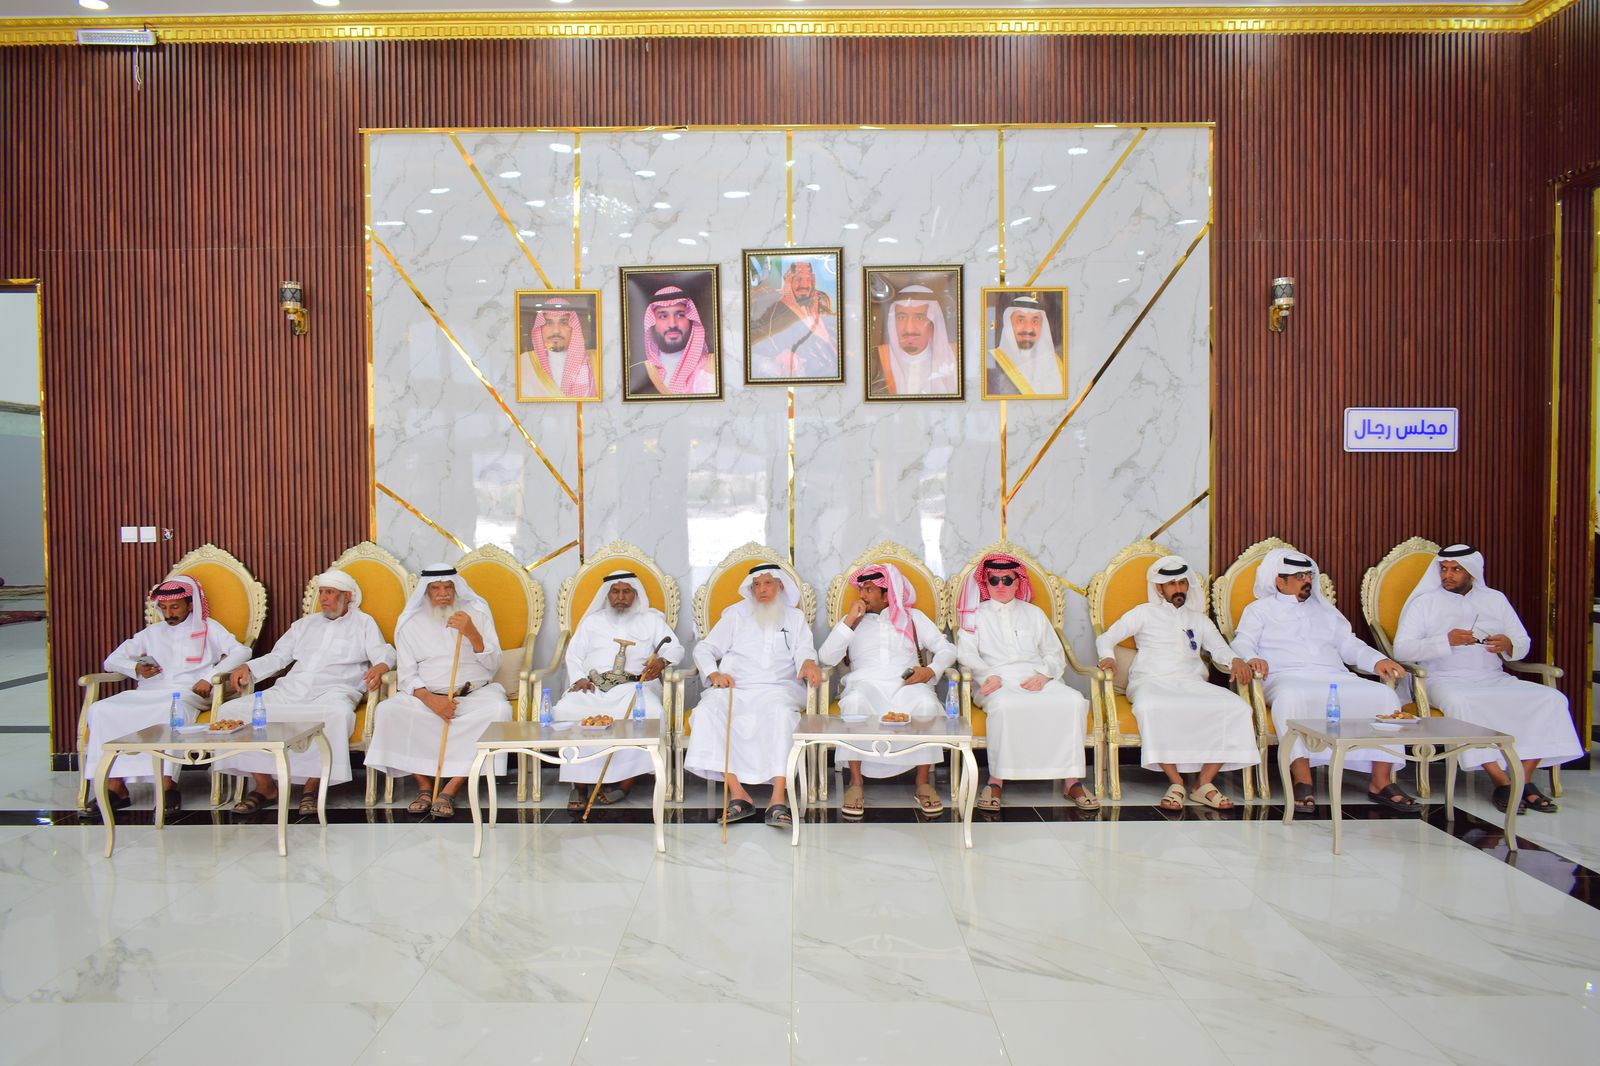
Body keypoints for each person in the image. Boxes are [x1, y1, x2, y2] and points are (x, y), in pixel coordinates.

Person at [1394, 543, 1584, 813]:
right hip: (1444, 679)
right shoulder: (1424, 603)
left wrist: (1508, 644)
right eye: (1444, 569)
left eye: (1455, 570)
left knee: (1552, 699)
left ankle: (1523, 781)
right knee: (1462, 703)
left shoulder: (1495, 599)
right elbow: (1401, 650)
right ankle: (1501, 781)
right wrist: (1445, 641)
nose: (1447, 575)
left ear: (1472, 571)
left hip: (1492, 677)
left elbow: (1522, 641)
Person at [1232, 549, 1416, 812]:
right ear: (1279, 581)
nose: (1307, 580)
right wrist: (1251, 658)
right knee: (1292, 698)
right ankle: (1303, 780)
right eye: (1299, 576)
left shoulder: (1326, 611)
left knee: (1384, 695)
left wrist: (1377, 661)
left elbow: (1350, 645)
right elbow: (1242, 642)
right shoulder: (1259, 610)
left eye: (1309, 575)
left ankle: (1381, 781)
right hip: (1285, 677)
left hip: (1334, 675)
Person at [220, 571, 394, 815]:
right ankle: (265, 786)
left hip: (335, 690)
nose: (323, 598)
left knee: (337, 715)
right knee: (231, 711)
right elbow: (278, 657)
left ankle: (312, 787)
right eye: (321, 592)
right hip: (291, 689)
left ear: (347, 597)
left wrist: (382, 665)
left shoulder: (364, 623)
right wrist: (248, 667)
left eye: (330, 593)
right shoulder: (304, 625)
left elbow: (382, 651)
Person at [1093, 556, 1258, 811]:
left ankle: (1203, 782)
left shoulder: (1198, 619)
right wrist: (1108, 658)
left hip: (1192, 683)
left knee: (1238, 708)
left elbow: (1219, 648)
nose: (1178, 588)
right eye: (1172, 584)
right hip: (1151, 681)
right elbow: (1106, 638)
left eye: (1182, 583)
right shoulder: (1143, 613)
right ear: (1159, 588)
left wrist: (1235, 660)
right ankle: (1176, 782)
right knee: (1151, 707)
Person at [83, 576, 250, 815]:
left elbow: (242, 651)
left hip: (188, 692)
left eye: (174, 607)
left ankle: (167, 785)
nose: (168, 614)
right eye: (163, 608)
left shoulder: (208, 627)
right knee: (100, 709)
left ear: (190, 605)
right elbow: (111, 661)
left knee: (169, 711)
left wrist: (210, 676)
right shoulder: (152, 632)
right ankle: (115, 787)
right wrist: (135, 668)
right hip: (149, 691)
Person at [683, 562, 822, 829]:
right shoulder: (736, 615)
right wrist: (714, 674)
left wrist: (808, 663)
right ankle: (738, 795)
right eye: (756, 585)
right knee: (707, 712)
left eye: (768, 583)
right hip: (736, 688)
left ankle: (778, 799)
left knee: (781, 715)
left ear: (780, 586)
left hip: (779, 688)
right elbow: (704, 649)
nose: (762, 590)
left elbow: (805, 650)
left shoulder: (794, 618)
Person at [364, 563, 508, 818]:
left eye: (448, 587)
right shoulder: (410, 622)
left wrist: (472, 634)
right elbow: (407, 674)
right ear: (426, 591)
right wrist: (431, 700)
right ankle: (424, 786)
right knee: (387, 711)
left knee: (499, 710)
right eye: (436, 588)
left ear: (456, 588)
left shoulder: (476, 613)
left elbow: (494, 664)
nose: (443, 593)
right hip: (426, 697)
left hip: (475, 695)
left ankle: (450, 789)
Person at [955, 553, 1096, 811]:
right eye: (994, 580)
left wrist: (1044, 675)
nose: (1000, 585)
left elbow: (1053, 652)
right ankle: (996, 780)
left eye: (1007, 580)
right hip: (995, 680)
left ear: (1018, 582)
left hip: (1036, 677)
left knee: (1074, 701)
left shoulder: (1034, 613)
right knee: (1005, 706)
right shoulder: (974, 615)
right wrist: (987, 675)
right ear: (986, 582)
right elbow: (966, 653)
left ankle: (1072, 780)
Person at [817, 563, 956, 818]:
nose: (862, 595)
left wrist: (931, 671)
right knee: (855, 703)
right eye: (861, 589)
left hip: (906, 684)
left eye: (869, 590)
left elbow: (947, 649)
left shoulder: (913, 618)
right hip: (865, 684)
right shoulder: (852, 622)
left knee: (926, 705)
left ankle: (922, 782)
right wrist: (850, 620)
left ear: (887, 594)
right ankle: (855, 783)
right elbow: (826, 657)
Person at [551, 570, 683, 808]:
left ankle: (625, 783)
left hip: (634, 687)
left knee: (651, 713)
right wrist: (579, 678)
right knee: (566, 710)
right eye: (615, 591)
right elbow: (574, 655)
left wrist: (662, 662)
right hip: (593, 686)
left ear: (635, 594)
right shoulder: (592, 621)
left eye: (626, 591)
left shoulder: (650, 620)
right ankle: (578, 786)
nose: (620, 597)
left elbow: (675, 648)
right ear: (607, 594)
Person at [749, 259, 838, 379]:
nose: (805, 285)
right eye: (798, 279)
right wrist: (781, 354)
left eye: (809, 280)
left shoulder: (820, 302)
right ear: (789, 281)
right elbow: (754, 340)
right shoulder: (773, 309)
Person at [869, 283, 960, 396]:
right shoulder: (875, 358)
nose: (909, 328)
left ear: (933, 323)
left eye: (919, 318)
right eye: (901, 317)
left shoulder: (955, 356)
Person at [632, 284, 716, 395]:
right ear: (652, 323)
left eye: (680, 315)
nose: (672, 324)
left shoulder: (711, 368)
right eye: (663, 316)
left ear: (691, 320)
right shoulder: (637, 372)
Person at [519, 296, 598, 400]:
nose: (556, 330)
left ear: (573, 327)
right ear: (540, 328)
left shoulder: (596, 361)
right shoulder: (524, 362)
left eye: (563, 322)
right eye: (548, 323)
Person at [986, 294, 1063, 397]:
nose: (1028, 329)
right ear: (1008, 324)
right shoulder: (990, 363)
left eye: (1035, 321)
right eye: (1020, 320)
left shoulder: (1058, 360)